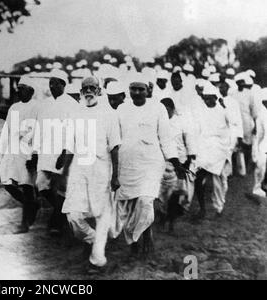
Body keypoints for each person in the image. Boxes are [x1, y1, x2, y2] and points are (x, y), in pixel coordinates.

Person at [112, 75, 186, 256]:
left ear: (148, 90)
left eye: (141, 89)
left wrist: (176, 163)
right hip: (127, 164)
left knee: (145, 202)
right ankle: (134, 242)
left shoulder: (158, 108)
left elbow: (166, 139)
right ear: (129, 90)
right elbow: (114, 139)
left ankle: (147, 236)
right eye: (133, 88)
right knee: (129, 207)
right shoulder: (121, 109)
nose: (137, 93)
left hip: (151, 163)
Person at [59, 77, 120, 269]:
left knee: (100, 214)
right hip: (79, 168)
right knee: (73, 214)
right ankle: (93, 240)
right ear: (81, 90)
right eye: (85, 88)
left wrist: (116, 175)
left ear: (99, 90)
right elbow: (69, 146)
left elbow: (115, 146)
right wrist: (64, 173)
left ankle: (97, 259)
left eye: (92, 87)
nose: (88, 91)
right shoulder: (75, 112)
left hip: (101, 168)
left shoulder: (108, 113)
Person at [30, 69, 79, 236]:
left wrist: (65, 153)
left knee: (59, 188)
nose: (52, 86)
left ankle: (56, 221)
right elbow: (39, 128)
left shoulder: (72, 105)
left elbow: (73, 131)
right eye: (50, 83)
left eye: (55, 83)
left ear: (63, 84)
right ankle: (62, 212)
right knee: (41, 185)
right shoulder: (46, 104)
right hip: (45, 153)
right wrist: (35, 151)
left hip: (61, 153)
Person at [0, 76, 40, 234]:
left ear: (31, 90)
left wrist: (34, 154)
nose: (18, 91)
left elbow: (39, 133)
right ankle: (32, 204)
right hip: (12, 151)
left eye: (22, 88)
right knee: (7, 184)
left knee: (27, 186)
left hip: (27, 152)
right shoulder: (14, 107)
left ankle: (24, 224)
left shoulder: (37, 107)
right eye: (18, 88)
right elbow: (6, 131)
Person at [158, 98, 197, 232]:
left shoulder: (181, 122)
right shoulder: (158, 122)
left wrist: (189, 159)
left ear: (172, 109)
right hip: (162, 162)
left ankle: (171, 221)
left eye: (166, 110)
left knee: (175, 194)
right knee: (162, 194)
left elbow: (189, 141)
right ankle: (163, 215)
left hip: (179, 163)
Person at [194, 85, 233, 219]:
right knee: (198, 179)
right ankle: (202, 208)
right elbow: (198, 130)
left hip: (219, 149)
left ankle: (219, 206)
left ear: (215, 98)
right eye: (205, 99)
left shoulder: (223, 111)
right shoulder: (201, 111)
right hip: (204, 149)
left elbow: (232, 124)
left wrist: (224, 106)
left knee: (218, 182)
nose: (207, 101)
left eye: (209, 99)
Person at [249, 89, 267, 203]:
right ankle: (257, 188)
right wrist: (257, 148)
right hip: (264, 143)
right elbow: (259, 133)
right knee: (261, 166)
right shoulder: (262, 114)